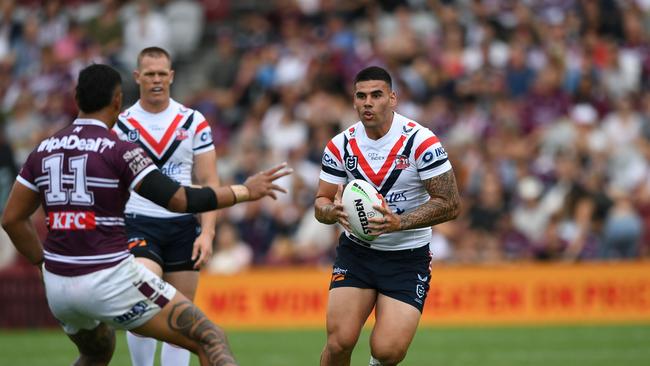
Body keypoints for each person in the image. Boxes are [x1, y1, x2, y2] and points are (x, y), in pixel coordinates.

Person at [1, 63, 291, 366]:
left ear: (76, 98)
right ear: (117, 101)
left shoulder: (44, 149)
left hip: (59, 288)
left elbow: (11, 219)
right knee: (210, 337)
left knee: (96, 352)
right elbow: (179, 200)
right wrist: (244, 191)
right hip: (108, 277)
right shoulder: (119, 149)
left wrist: (42, 264)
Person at [314, 66, 460, 366]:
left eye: (376, 95)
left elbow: (450, 203)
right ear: (353, 101)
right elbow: (321, 201)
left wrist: (400, 222)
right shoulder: (340, 145)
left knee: (388, 351)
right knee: (339, 342)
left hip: (407, 257)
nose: (368, 102)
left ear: (392, 99)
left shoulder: (421, 141)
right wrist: (331, 212)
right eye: (361, 96)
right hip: (357, 254)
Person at [112, 46, 219, 366]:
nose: (156, 80)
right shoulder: (122, 125)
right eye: (150, 74)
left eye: (162, 73)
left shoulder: (193, 120)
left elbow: (210, 181)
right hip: (138, 222)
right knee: (144, 300)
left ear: (171, 76)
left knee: (183, 315)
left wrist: (208, 233)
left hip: (183, 226)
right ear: (137, 77)